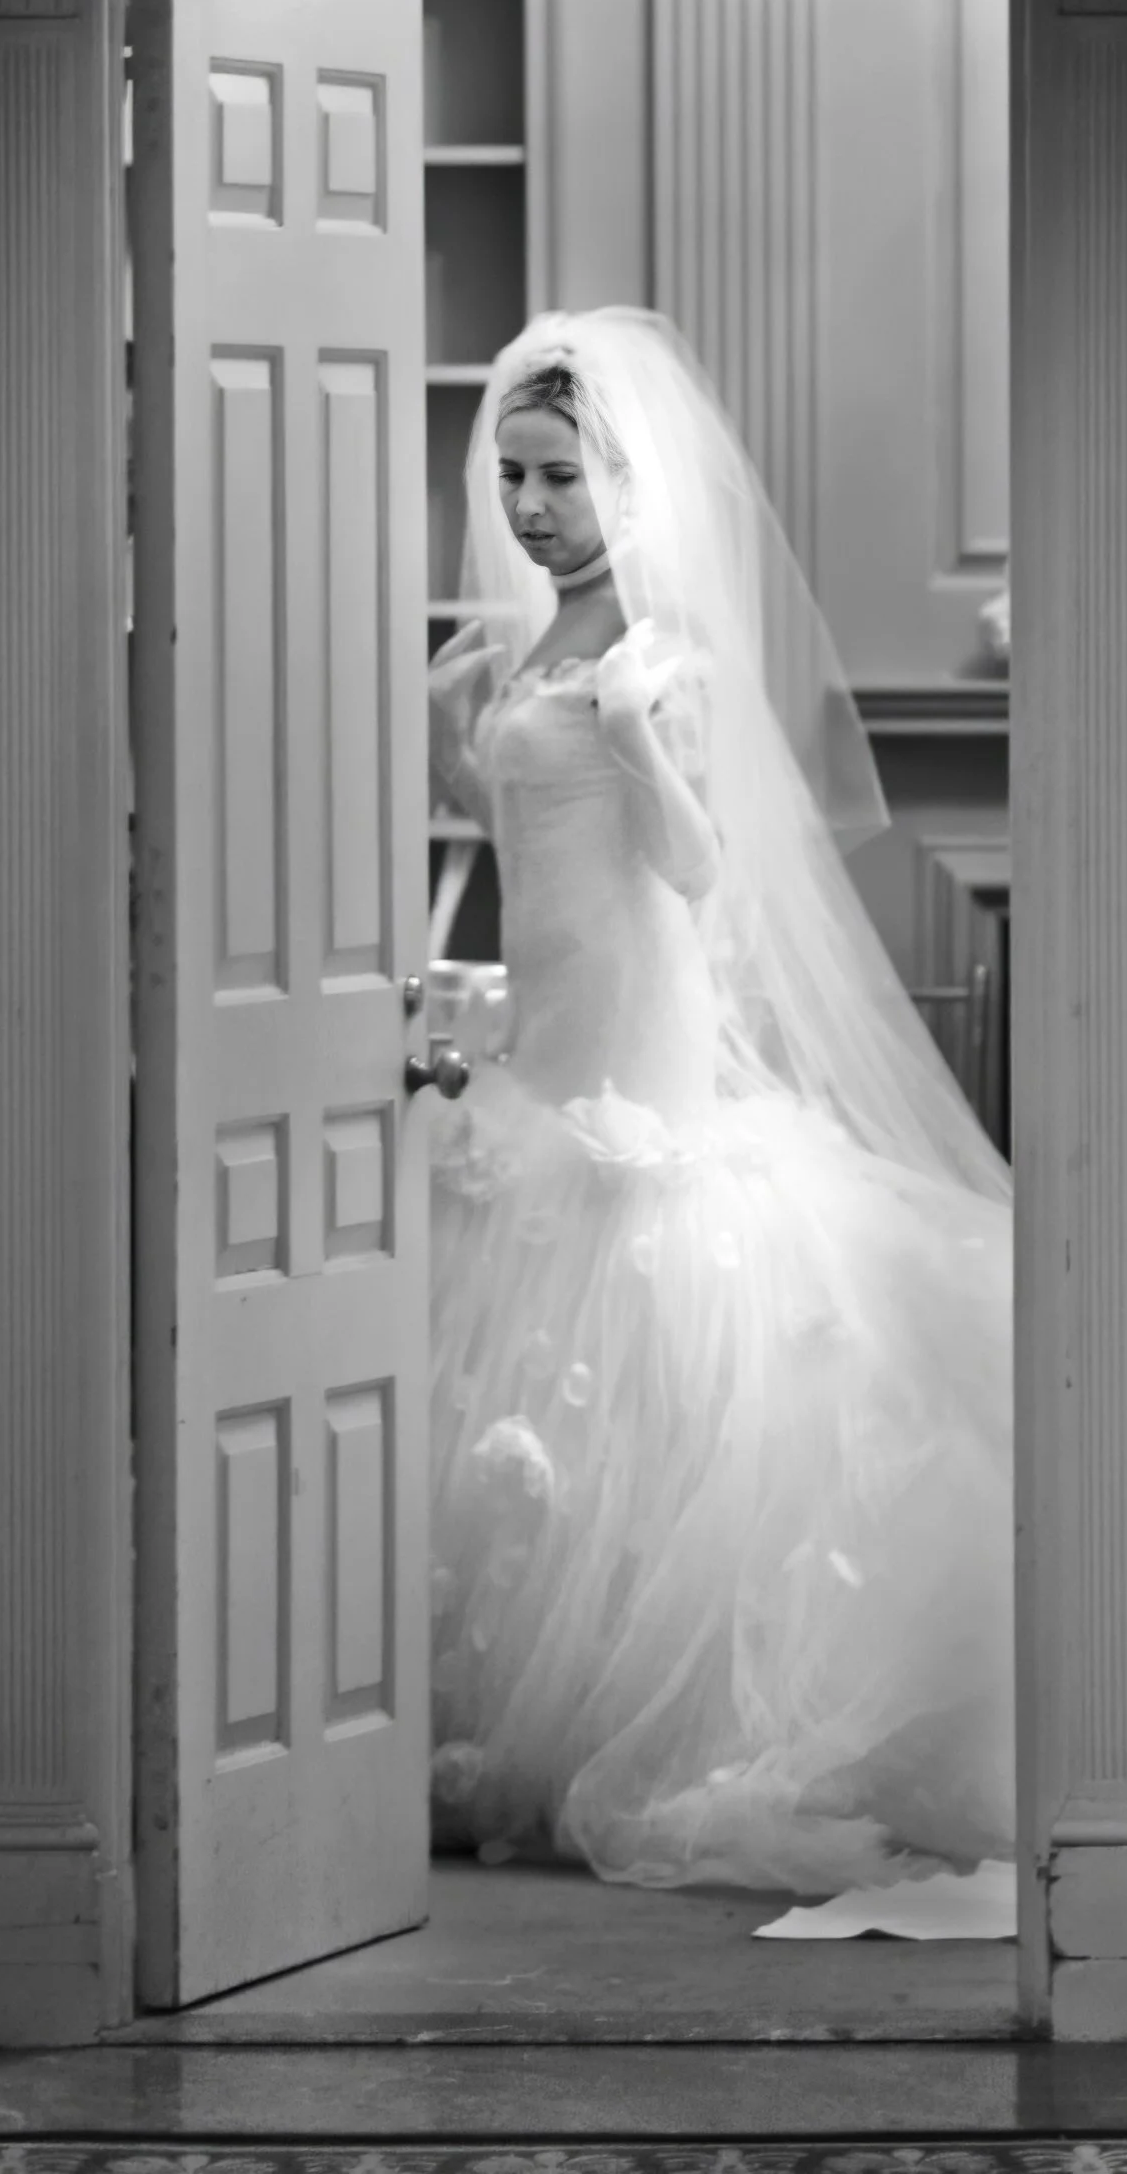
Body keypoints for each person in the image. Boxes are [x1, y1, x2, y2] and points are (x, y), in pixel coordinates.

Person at [425, 307, 1015, 1899]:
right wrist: (453, 735)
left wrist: (629, 735)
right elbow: (518, 844)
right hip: (542, 1072)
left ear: (628, 482)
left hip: (642, 1076)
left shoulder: (653, 659)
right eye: (515, 476)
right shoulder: (520, 645)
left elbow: (695, 872)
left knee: (658, 1382)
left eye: (559, 476)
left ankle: (649, 1713)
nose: (532, 506)